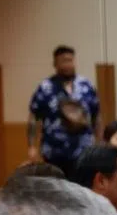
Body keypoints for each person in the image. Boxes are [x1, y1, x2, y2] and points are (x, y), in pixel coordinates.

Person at [27, 46, 100, 175]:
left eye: (70, 60)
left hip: (83, 149)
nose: (67, 65)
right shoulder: (46, 87)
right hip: (54, 151)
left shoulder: (85, 85)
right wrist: (32, 146)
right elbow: (34, 117)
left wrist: (100, 142)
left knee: (81, 189)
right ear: (55, 64)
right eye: (63, 61)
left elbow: (96, 114)